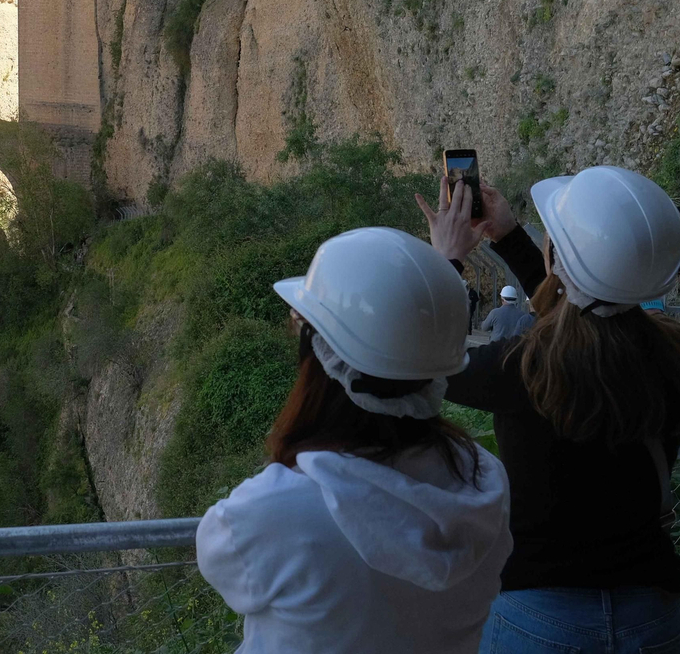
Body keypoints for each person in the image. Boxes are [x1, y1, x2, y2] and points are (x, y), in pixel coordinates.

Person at [421, 167, 680, 653]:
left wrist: (446, 260)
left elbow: (420, 356)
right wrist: (510, 238)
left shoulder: (522, 368)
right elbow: (589, 311)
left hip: (540, 618)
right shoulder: (675, 357)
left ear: (561, 260)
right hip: (654, 616)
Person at [197, 227, 512, 653]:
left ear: (319, 356)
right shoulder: (483, 481)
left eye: (301, 326)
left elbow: (222, 563)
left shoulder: (269, 512)